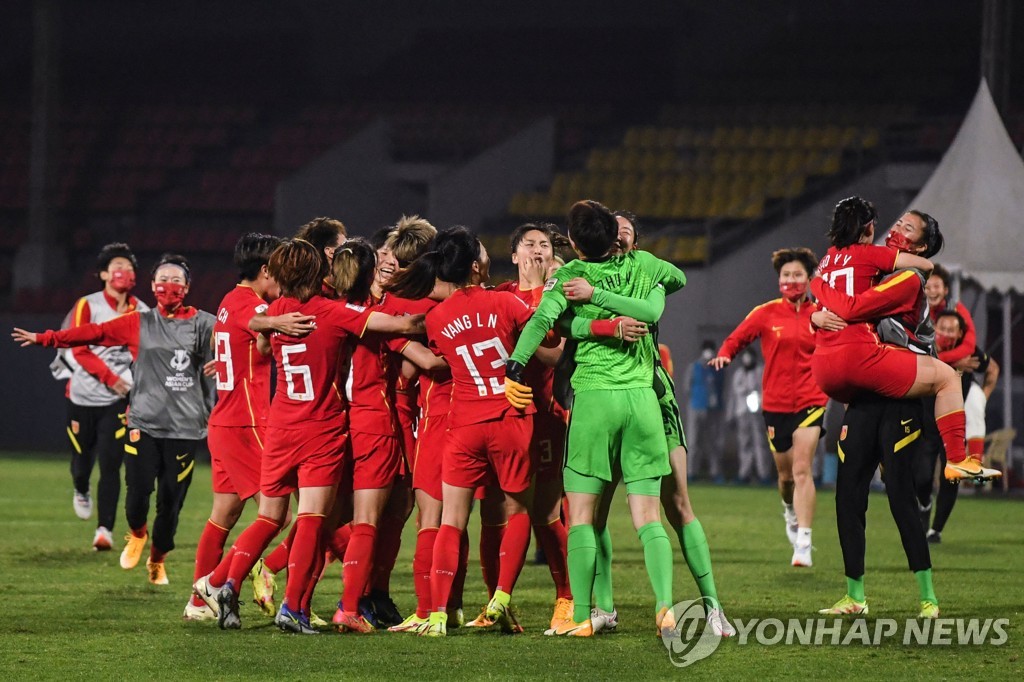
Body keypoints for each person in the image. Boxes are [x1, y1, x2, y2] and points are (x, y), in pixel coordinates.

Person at [192, 238, 425, 634]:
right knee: (312, 519)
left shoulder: (279, 310)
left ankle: (221, 582)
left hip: (280, 426)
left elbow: (260, 338)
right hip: (321, 429)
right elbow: (404, 325)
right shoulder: (332, 313)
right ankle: (293, 608)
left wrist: (270, 323)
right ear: (318, 273)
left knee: (269, 516)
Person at [506, 200, 686, 637]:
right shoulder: (643, 264)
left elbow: (539, 323)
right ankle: (665, 607)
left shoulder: (568, 277)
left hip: (594, 401)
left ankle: (584, 616)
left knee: (582, 515)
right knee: (648, 516)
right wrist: (651, 284)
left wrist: (514, 364)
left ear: (573, 244)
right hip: (642, 401)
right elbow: (677, 278)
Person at [561, 209, 734, 636]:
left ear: (635, 241)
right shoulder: (587, 272)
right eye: (612, 232)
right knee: (594, 514)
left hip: (652, 396)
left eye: (626, 232)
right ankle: (603, 608)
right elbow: (562, 321)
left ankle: (713, 607)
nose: (618, 238)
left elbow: (669, 288)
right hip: (605, 398)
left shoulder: (644, 272)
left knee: (676, 506)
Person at [14, 254, 216, 585]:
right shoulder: (139, 322)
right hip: (143, 424)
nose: (170, 285)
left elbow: (238, 339)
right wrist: (45, 338)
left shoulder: (204, 323)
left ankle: (158, 558)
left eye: (177, 280)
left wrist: (224, 360)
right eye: (163, 279)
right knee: (136, 497)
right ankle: (137, 533)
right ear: (152, 286)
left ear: (188, 287)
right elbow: (91, 333)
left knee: (171, 503)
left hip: (185, 428)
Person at [386, 226, 541, 638]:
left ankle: (437, 614)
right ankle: (501, 599)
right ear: (475, 265)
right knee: (517, 512)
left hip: (463, 424)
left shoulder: (436, 318)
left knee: (449, 521)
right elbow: (546, 339)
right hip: (510, 418)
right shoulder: (505, 301)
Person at [810, 198, 998, 482]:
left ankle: (891, 460)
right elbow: (857, 305)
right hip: (881, 367)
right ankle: (955, 460)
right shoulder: (880, 263)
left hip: (849, 368)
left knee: (885, 477)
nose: (896, 228)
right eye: (898, 223)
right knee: (947, 378)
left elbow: (845, 307)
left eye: (907, 227)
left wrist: (816, 292)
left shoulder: (843, 263)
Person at [711, 247, 831, 566]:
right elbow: (736, 338)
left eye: (798, 275)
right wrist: (725, 354)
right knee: (786, 476)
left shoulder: (820, 314)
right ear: (779, 279)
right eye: (786, 275)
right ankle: (790, 511)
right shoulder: (766, 313)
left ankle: (804, 542)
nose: (791, 280)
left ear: (809, 279)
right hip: (775, 403)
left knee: (803, 468)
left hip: (811, 399)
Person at [184, 233, 283, 621]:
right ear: (264, 270)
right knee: (277, 516)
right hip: (247, 422)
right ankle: (221, 581)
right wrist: (282, 321)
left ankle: (197, 602)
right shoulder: (250, 304)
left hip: (224, 420)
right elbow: (256, 321)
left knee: (224, 513)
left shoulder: (227, 299)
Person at [493, 222, 574, 631]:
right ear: (514, 255)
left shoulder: (557, 297)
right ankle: (498, 601)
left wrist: (527, 338)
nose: (537, 250)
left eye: (544, 244)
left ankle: (567, 597)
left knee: (544, 512)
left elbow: (558, 355)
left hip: (544, 416)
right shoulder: (501, 295)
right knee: (499, 513)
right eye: (529, 244)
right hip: (499, 420)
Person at [50, 242, 148, 551]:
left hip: (117, 402)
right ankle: (81, 488)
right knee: (82, 461)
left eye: (130, 267)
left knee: (111, 463)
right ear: (104, 274)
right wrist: (111, 378)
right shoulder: (88, 305)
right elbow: (78, 349)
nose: (125, 272)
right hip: (82, 395)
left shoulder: (142, 311)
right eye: (118, 266)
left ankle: (104, 529)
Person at [921, 310, 1000, 543]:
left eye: (950, 330)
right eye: (941, 328)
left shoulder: (972, 354)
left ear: (960, 334)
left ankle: (936, 530)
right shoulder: (924, 346)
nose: (945, 333)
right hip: (926, 422)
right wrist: (954, 363)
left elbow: (993, 370)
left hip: (953, 426)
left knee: (951, 476)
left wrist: (982, 398)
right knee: (922, 477)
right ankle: (924, 504)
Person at [726, 349, 772, 485]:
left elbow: (767, 390)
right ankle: (744, 473)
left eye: (749, 356)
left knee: (760, 443)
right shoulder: (738, 374)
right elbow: (733, 396)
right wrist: (731, 415)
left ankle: (764, 474)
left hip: (758, 413)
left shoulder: (761, 371)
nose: (747, 359)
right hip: (742, 412)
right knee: (744, 443)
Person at [683, 341, 725, 481]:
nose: (709, 353)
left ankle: (715, 472)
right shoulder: (694, 367)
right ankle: (691, 472)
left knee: (714, 442)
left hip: (713, 410)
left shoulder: (718, 368)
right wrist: (696, 400)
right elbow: (687, 387)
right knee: (694, 441)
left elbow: (722, 387)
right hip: (696, 407)